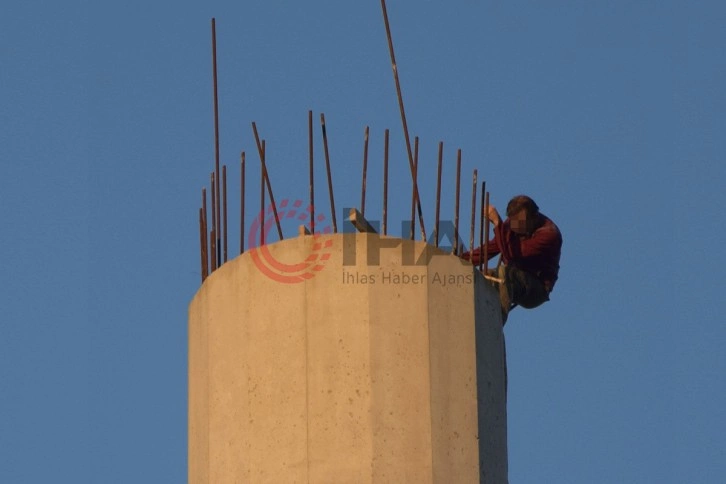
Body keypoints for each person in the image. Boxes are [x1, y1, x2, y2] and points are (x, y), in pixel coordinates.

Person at [462, 195, 562, 323]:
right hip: (514, 276)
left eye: (522, 224)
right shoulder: (514, 223)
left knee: (505, 273)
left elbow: (512, 254)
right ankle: (472, 318)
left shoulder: (548, 234)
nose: (516, 228)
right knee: (484, 277)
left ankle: (496, 322)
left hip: (536, 287)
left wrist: (498, 224)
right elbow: (493, 247)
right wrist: (461, 260)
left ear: (534, 217)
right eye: (514, 223)